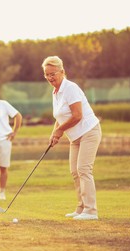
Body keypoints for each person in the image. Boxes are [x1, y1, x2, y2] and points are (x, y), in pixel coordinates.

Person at [42, 56, 102, 220]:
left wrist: (60, 131)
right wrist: (54, 133)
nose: (50, 78)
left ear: (62, 71)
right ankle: (81, 208)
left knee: (84, 169)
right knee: (75, 172)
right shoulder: (55, 92)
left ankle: (91, 211)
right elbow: (60, 116)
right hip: (75, 137)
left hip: (89, 131)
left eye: (53, 74)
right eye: (46, 74)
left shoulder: (70, 88)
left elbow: (77, 115)